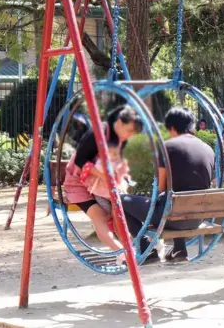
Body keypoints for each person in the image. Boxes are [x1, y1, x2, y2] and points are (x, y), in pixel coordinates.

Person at [122, 107, 215, 264]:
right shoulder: (208, 148)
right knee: (175, 200)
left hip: (172, 216)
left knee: (120, 200)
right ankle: (179, 250)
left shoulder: (167, 147)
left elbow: (161, 187)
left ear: (172, 127)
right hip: (198, 217)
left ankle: (146, 250)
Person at [63, 105, 143, 263]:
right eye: (129, 130)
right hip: (79, 182)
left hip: (102, 184)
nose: (129, 136)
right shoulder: (99, 132)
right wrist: (106, 177)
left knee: (118, 211)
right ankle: (120, 252)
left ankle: (130, 247)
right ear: (120, 122)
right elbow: (80, 160)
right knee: (99, 216)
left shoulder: (121, 138)